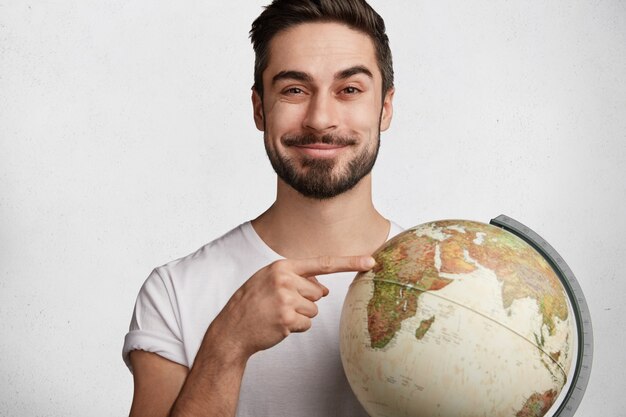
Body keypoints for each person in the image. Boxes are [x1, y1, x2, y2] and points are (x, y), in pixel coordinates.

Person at [122, 0, 401, 415]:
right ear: (259, 109)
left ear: (385, 108)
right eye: (294, 90)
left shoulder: (456, 287)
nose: (320, 119)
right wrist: (227, 343)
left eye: (349, 90)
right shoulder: (176, 293)